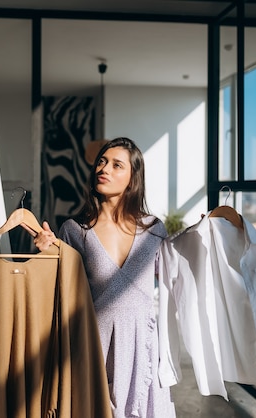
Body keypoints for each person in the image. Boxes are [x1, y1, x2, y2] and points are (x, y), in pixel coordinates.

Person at [31, 137, 176, 417]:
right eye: (101, 161)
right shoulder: (75, 230)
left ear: (132, 179)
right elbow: (56, 291)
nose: (104, 168)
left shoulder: (154, 230)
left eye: (116, 165)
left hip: (142, 347)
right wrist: (45, 252)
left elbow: (176, 278)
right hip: (94, 343)